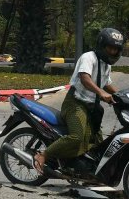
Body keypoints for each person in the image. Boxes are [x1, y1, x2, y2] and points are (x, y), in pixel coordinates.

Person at [34, 27, 124, 174]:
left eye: (115, 49)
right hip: (75, 103)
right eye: (110, 48)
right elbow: (85, 78)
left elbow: (106, 83)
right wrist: (100, 92)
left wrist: (121, 95)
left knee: (99, 143)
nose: (112, 52)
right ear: (102, 45)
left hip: (92, 106)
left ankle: (86, 171)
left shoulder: (106, 64)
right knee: (77, 137)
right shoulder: (88, 57)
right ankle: (43, 155)